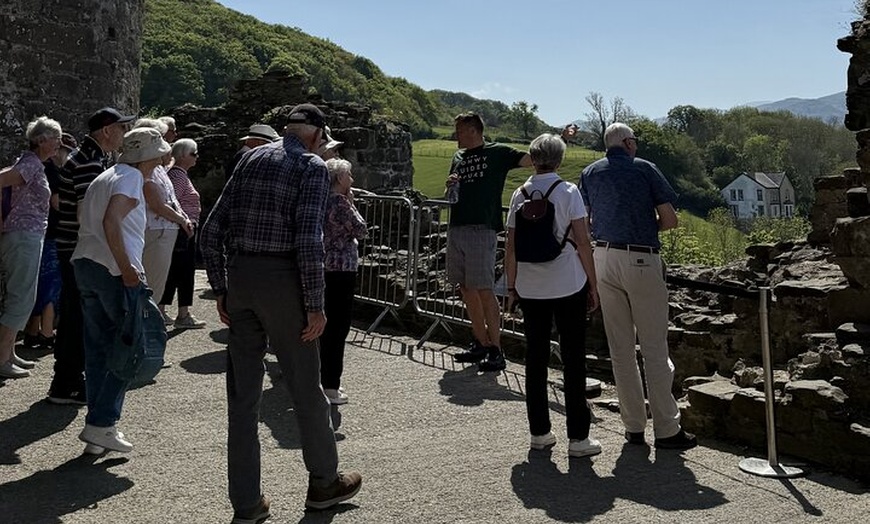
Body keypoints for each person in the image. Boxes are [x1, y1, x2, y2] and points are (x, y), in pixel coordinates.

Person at [200, 103, 362, 520]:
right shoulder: (310, 167)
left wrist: (220, 287)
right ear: (317, 135)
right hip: (283, 281)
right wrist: (315, 304)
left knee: (242, 397)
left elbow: (211, 229)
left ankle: (246, 503)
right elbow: (310, 240)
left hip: (242, 277)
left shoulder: (251, 157)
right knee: (306, 387)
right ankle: (325, 482)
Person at [579, 122, 696, 450]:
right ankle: (667, 429)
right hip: (640, 258)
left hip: (603, 257)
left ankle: (633, 427)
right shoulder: (645, 169)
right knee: (654, 348)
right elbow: (670, 220)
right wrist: (646, 225)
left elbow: (586, 220)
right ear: (628, 143)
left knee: (620, 349)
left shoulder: (590, 173)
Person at [72, 127, 170, 454]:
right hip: (113, 270)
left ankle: (98, 428)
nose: (161, 158)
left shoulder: (107, 175)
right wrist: (126, 267)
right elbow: (112, 221)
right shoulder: (129, 179)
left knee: (99, 349)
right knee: (130, 349)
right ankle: (102, 423)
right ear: (148, 156)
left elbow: (88, 216)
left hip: (87, 263)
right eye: (157, 153)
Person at [504, 133, 601, 457]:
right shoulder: (568, 192)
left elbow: (511, 248)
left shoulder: (519, 195)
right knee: (573, 359)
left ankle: (540, 433)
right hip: (566, 282)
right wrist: (593, 282)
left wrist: (512, 287)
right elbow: (583, 242)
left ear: (532, 158)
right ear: (559, 159)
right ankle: (578, 438)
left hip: (531, 287)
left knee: (536, 359)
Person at [50, 106, 135, 404]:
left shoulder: (91, 157)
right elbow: (91, 210)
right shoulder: (88, 161)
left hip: (75, 248)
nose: (124, 134)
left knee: (78, 315)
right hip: (78, 250)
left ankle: (70, 378)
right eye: (122, 128)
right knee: (76, 317)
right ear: (107, 130)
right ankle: (66, 383)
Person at [446, 112, 532, 372]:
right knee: (466, 288)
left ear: (473, 130)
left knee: (484, 289)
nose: (456, 136)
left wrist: (560, 139)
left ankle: (496, 348)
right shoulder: (458, 157)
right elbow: (453, 190)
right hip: (457, 226)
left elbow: (531, 159)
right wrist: (450, 183)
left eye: (459, 131)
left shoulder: (497, 152)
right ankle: (480, 342)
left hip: (482, 228)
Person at [0, 116, 62, 379]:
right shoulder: (32, 165)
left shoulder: (33, 164)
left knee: (23, 296)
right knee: (20, 297)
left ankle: (8, 353)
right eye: (56, 138)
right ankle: (2, 359)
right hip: (24, 236)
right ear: (41, 140)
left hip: (27, 235)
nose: (59, 143)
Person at [22, 132, 77, 350]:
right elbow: (57, 203)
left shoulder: (42, 168)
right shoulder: (53, 172)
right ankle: (46, 332)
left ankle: (33, 330)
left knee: (42, 283)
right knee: (51, 284)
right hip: (52, 233)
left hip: (45, 232)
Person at [320, 158, 367, 405]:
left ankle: (318, 378)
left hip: (324, 267)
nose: (352, 180)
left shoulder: (321, 200)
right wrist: (352, 204)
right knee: (337, 328)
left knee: (323, 326)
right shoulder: (339, 202)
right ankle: (330, 385)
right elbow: (360, 229)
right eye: (349, 175)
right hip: (341, 270)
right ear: (339, 179)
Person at [134, 118, 193, 308]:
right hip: (155, 230)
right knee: (151, 286)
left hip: (163, 230)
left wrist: (182, 217)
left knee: (155, 286)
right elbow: (157, 204)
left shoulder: (157, 168)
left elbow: (171, 198)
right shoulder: (145, 170)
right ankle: (145, 332)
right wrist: (182, 220)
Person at [159, 138, 206, 329]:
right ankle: (182, 314)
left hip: (181, 229)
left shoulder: (177, 174)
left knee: (175, 271)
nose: (197, 157)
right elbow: (172, 200)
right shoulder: (178, 176)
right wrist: (185, 221)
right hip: (182, 230)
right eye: (194, 153)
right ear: (183, 156)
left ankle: (165, 311)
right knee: (183, 272)